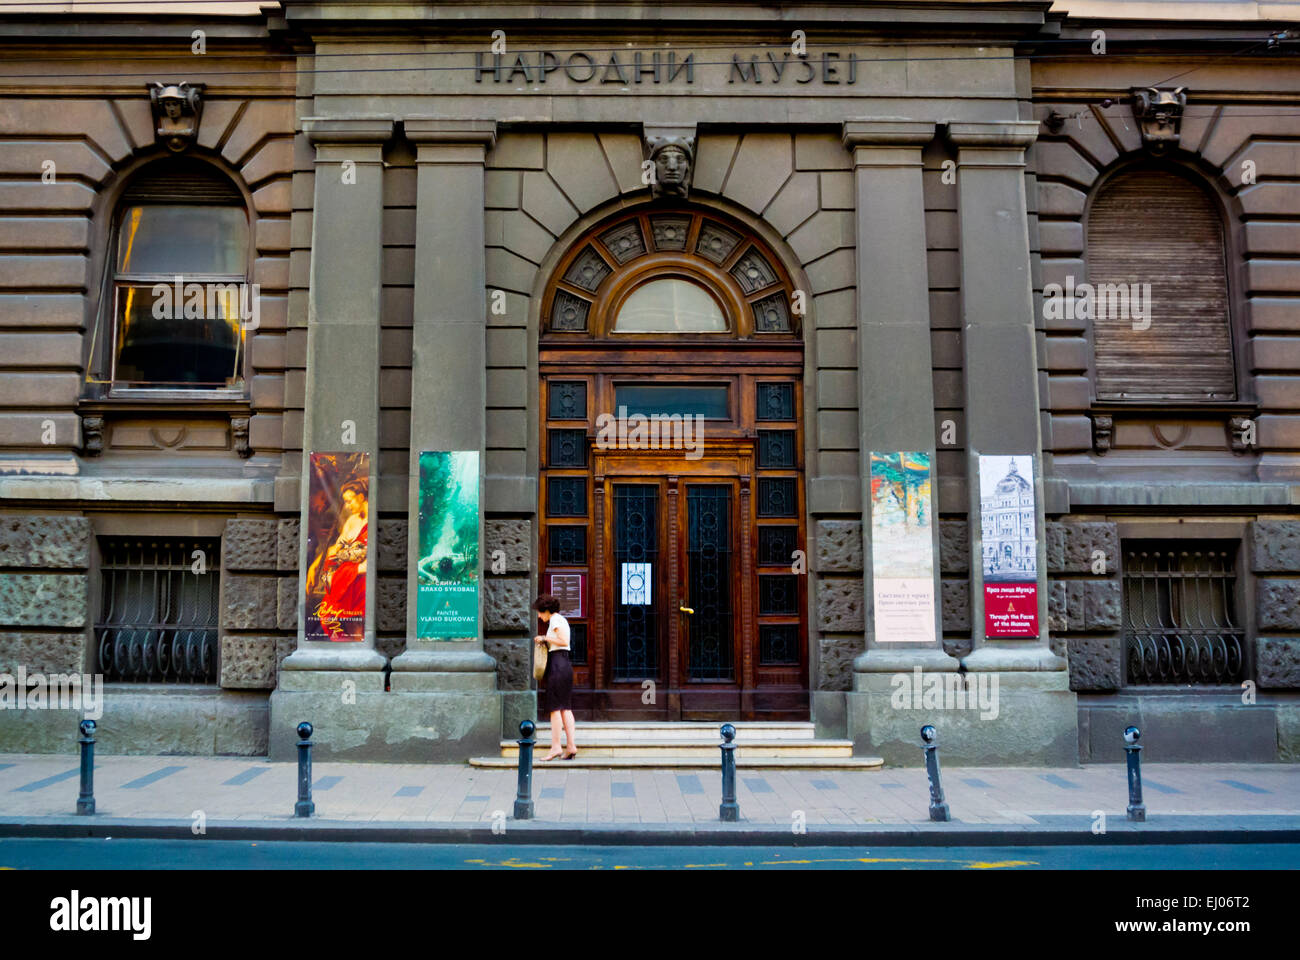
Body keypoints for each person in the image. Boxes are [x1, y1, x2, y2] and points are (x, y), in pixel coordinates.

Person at [306, 478, 368, 641]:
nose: (347, 506)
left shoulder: (372, 521)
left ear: (361, 497)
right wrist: (315, 565)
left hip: (359, 580)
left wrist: (352, 571)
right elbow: (336, 547)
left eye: (349, 501)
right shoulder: (352, 521)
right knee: (331, 619)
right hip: (344, 579)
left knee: (357, 625)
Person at [534, 594, 577, 761]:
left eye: (539, 612)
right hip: (564, 663)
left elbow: (563, 640)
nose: (539, 616)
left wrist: (544, 637)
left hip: (558, 664)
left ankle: (556, 747)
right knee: (566, 707)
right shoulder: (561, 620)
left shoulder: (555, 620)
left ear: (546, 610)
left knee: (555, 708)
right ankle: (571, 746)